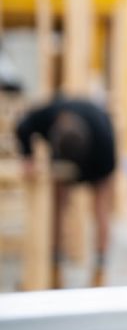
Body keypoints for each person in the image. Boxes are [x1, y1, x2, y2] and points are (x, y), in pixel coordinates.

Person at [15, 96, 117, 289]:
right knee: (57, 207)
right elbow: (22, 127)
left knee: (101, 210)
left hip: (97, 163)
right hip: (62, 161)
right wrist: (27, 156)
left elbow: (109, 174)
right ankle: (55, 267)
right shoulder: (48, 116)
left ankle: (99, 271)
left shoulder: (104, 138)